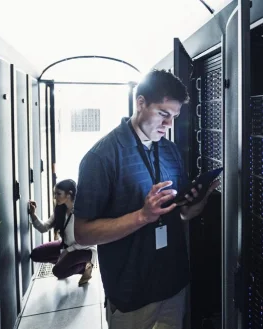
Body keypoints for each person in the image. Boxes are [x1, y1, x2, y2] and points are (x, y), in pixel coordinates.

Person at [73, 70, 219, 328]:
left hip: (173, 285)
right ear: (140, 103)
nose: (169, 124)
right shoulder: (101, 157)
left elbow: (181, 215)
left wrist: (199, 200)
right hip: (132, 295)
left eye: (174, 117)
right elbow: (83, 234)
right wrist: (142, 216)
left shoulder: (170, 150)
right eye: (163, 114)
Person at [29, 179, 96, 286]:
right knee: (36, 255)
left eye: (58, 194)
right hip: (66, 246)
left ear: (69, 194)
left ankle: (85, 267)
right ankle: (66, 263)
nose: (55, 197)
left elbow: (88, 240)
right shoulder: (60, 210)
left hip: (84, 249)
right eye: (55, 193)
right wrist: (33, 214)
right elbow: (44, 228)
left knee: (58, 272)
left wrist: (67, 251)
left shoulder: (81, 211)